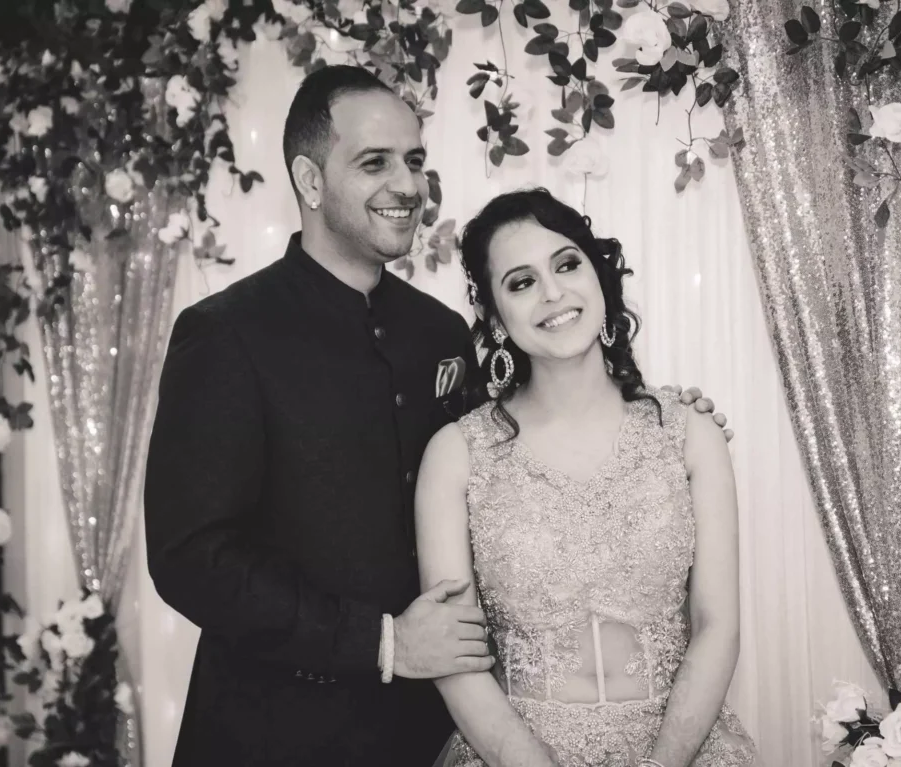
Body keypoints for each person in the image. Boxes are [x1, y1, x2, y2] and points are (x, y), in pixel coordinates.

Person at [144, 65, 729, 767]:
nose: (407, 184)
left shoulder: (438, 331)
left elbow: (518, 472)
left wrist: (664, 421)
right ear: (307, 181)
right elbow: (190, 558)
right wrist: (382, 641)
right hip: (279, 731)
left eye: (415, 161)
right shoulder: (227, 332)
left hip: (425, 733)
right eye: (374, 162)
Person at [415, 189, 759, 767]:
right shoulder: (457, 455)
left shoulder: (689, 434)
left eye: (568, 265)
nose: (553, 293)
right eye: (521, 282)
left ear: (599, 277)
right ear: (494, 317)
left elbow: (716, 625)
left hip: (681, 749)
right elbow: (454, 652)